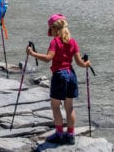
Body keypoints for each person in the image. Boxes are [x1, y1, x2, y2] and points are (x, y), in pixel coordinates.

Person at [26, 13, 91, 145]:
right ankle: (71, 135)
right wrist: (87, 64)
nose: (49, 31)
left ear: (54, 29)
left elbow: (48, 58)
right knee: (69, 107)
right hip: (71, 76)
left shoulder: (55, 42)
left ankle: (60, 134)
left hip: (59, 76)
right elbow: (79, 63)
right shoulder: (72, 41)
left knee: (55, 106)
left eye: (50, 29)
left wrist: (32, 53)